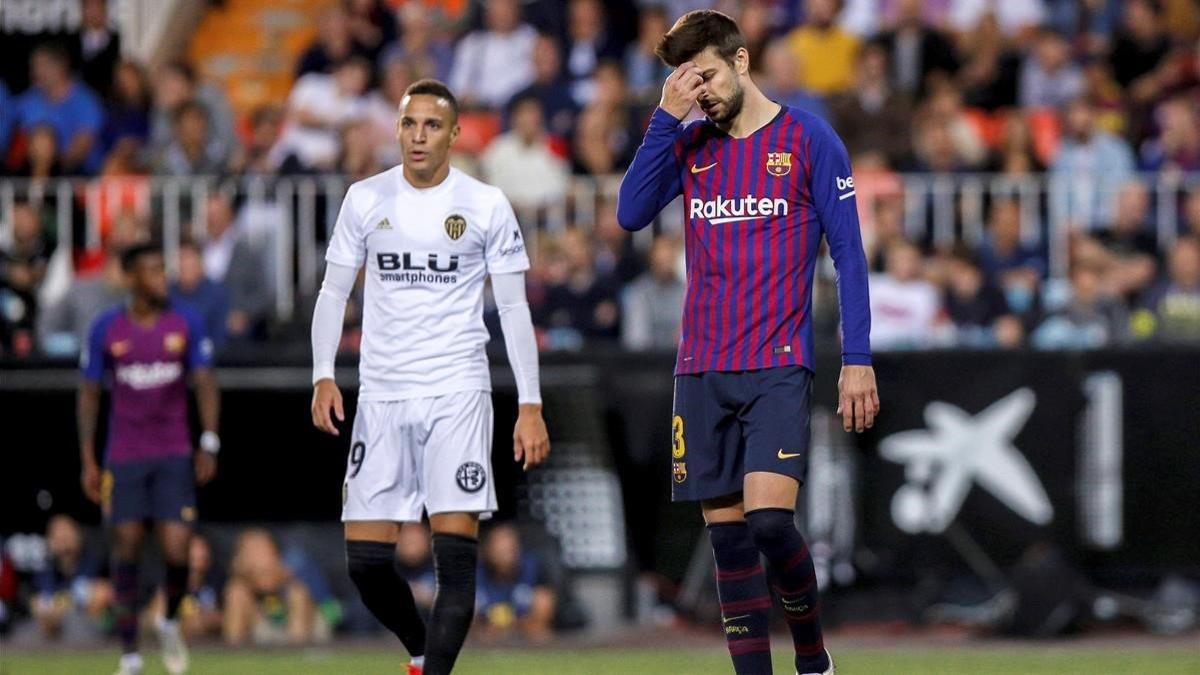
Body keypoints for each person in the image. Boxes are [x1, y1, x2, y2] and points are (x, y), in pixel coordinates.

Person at [615, 11, 879, 675]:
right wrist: (664, 116)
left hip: (777, 365)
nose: (698, 89)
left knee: (768, 524)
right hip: (701, 367)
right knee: (729, 542)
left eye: (705, 74)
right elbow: (630, 213)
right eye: (685, 78)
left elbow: (848, 253)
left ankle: (813, 658)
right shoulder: (691, 141)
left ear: (741, 60)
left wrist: (857, 358)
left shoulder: (809, 139)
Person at [310, 79, 551, 675]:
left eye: (432, 125)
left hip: (457, 394)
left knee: (455, 562)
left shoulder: (486, 204)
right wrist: (321, 373)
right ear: (396, 130)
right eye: (409, 124)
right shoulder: (366, 199)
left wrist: (530, 402)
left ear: (455, 134)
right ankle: (423, 654)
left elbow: (515, 309)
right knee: (366, 562)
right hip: (383, 396)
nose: (419, 136)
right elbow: (333, 290)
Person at [78, 243, 221, 675]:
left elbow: (205, 382)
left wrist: (209, 440)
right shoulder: (106, 327)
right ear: (132, 277)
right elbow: (88, 393)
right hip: (124, 455)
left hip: (174, 451)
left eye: (164, 269)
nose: (163, 277)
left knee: (178, 548)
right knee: (127, 546)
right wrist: (88, 459)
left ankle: (169, 618)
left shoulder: (186, 321)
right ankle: (129, 654)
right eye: (153, 270)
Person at [475, 523, 555, 642]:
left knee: (540, 628)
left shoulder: (533, 568)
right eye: (500, 551)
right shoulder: (474, 573)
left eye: (510, 550)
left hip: (523, 633)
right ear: (488, 550)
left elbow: (543, 609)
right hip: (483, 636)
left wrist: (513, 625)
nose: (506, 557)